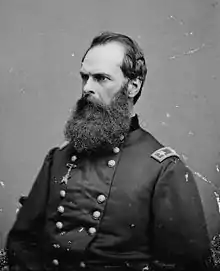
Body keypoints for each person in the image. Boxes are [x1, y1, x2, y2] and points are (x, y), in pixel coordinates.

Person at [5, 31, 220, 271]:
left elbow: (185, 265)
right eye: (84, 77)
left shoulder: (163, 170)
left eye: (101, 78)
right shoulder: (58, 158)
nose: (87, 87)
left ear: (133, 86)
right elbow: (22, 242)